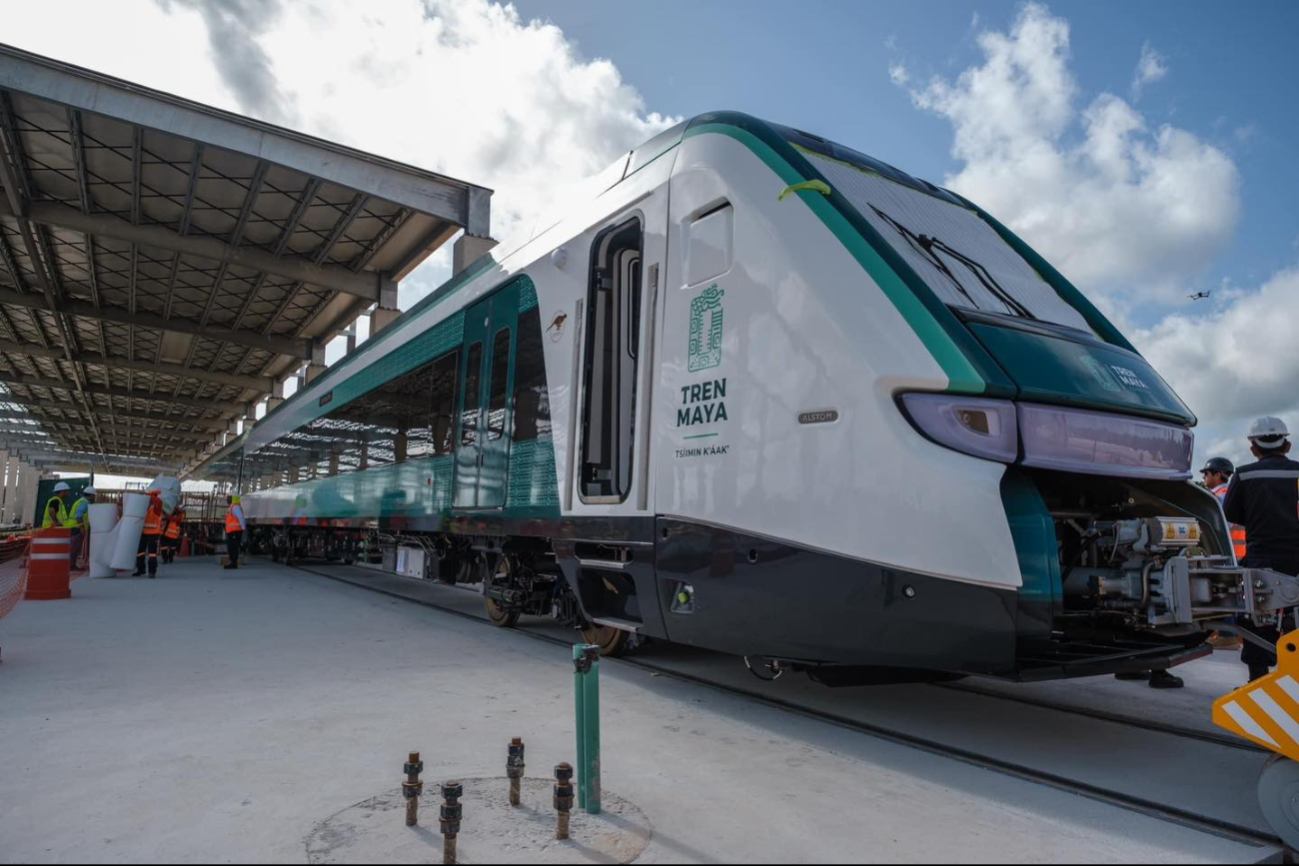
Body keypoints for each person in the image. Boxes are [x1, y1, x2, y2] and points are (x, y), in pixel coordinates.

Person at [1222, 417, 1299, 682]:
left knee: (1256, 619)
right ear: (1287, 444)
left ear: (1253, 447)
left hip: (1261, 559)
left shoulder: (1244, 474)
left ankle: (1257, 681)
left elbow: (1231, 513)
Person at [133, 494, 165, 579]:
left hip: (153, 533)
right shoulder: (145, 508)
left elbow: (159, 501)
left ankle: (152, 571)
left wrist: (149, 496)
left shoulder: (156, 507)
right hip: (144, 532)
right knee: (140, 552)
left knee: (152, 553)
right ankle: (141, 569)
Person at [67, 486, 96, 570]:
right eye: (94, 495)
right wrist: (82, 527)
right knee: (74, 547)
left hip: (73, 526)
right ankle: (70, 566)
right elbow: (78, 516)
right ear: (91, 495)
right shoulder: (85, 503)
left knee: (74, 547)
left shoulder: (80, 501)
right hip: (76, 527)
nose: (94, 497)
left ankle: (71, 565)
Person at [224, 494, 246, 570]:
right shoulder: (233, 507)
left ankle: (233, 563)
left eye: (228, 498)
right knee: (231, 547)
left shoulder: (235, 507)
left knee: (233, 547)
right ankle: (232, 562)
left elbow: (241, 518)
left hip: (235, 531)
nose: (227, 499)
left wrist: (243, 528)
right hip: (232, 531)